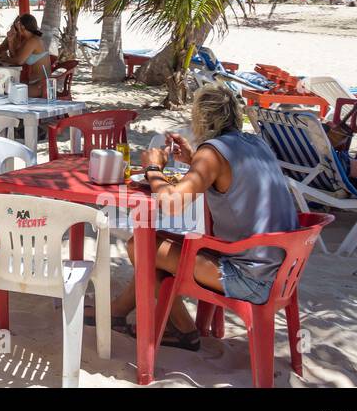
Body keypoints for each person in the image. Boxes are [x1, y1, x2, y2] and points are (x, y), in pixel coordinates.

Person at [104, 83, 298, 350]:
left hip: (249, 277)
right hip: (281, 269)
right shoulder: (256, 142)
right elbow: (230, 175)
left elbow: (171, 204)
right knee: (154, 248)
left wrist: (152, 167)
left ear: (200, 117)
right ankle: (117, 312)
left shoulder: (213, 152)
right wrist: (194, 159)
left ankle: (184, 329)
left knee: (140, 246)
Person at [0, 13, 52, 97]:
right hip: (35, 83)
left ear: (22, 27)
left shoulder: (33, 40)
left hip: (41, 86)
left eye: (17, 25)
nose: (15, 27)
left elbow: (19, 61)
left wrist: (5, 58)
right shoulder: (29, 39)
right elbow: (16, 58)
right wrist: (10, 42)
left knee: (4, 91)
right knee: (1, 86)